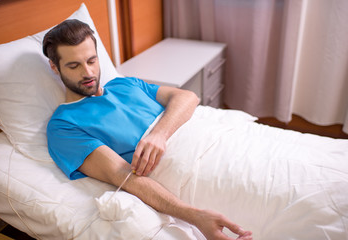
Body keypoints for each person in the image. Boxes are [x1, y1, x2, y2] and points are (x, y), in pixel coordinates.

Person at [43, 19, 253, 240]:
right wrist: (197, 216)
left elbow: (187, 97)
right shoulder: (64, 125)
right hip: (199, 170)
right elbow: (122, 175)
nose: (88, 72)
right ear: (55, 67)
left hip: (220, 142)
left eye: (92, 60)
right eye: (74, 66)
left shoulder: (124, 84)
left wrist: (159, 134)